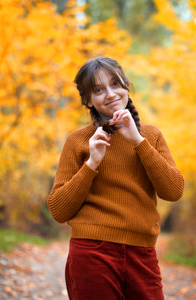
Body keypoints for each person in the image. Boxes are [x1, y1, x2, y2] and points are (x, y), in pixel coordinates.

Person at [47, 56, 185, 300]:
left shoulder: (150, 136)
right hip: (91, 253)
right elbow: (59, 210)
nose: (110, 94)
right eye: (98, 90)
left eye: (115, 84)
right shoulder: (78, 141)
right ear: (88, 100)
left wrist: (138, 142)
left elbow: (173, 191)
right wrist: (92, 163)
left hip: (142, 254)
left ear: (126, 86)